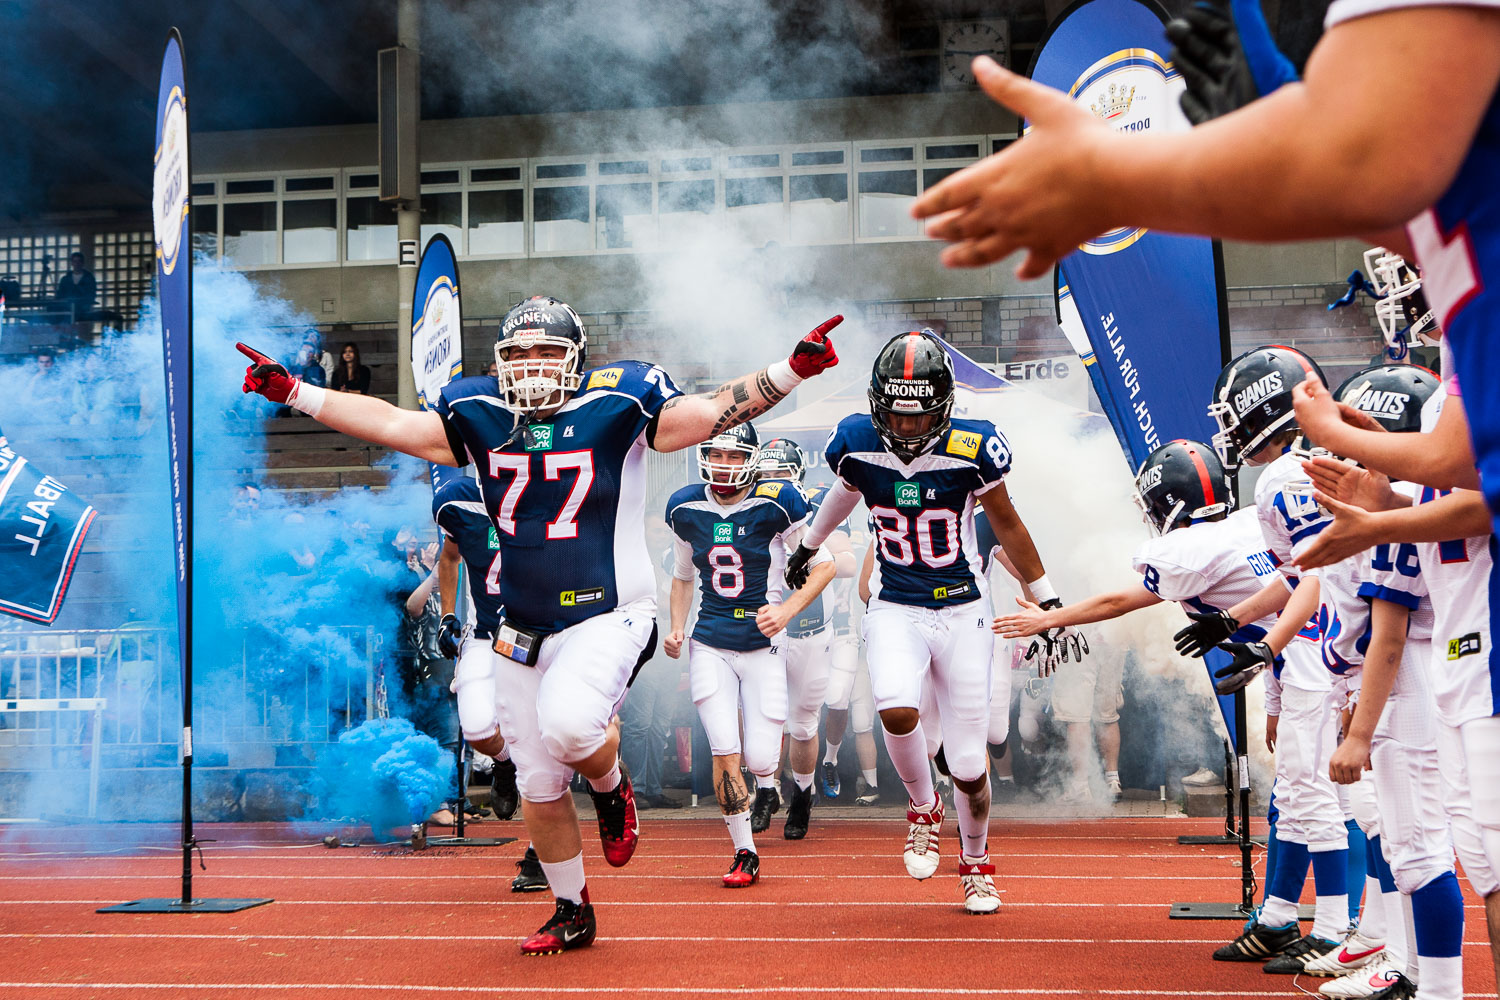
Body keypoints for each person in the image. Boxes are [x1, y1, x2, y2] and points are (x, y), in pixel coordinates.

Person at [237, 294, 841, 955]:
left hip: (610, 609)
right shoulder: (479, 410)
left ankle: (612, 789)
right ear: (499, 364)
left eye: (547, 353)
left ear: (575, 360)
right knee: (539, 781)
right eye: (518, 355)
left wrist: (790, 371)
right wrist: (296, 390)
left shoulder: (619, 402)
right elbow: (392, 423)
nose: (531, 367)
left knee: (571, 722)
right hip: (519, 623)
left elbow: (705, 412)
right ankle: (571, 908)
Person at [786, 329, 1086, 914]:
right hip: (897, 603)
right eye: (894, 416)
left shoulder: (974, 447)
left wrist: (1049, 601)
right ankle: (923, 807)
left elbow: (1007, 523)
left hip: (964, 608)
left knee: (971, 764)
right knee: (895, 707)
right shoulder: (853, 441)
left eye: (918, 417)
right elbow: (843, 494)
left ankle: (975, 861)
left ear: (944, 407)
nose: (905, 428)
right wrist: (811, 543)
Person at [1172, 347, 1355, 973]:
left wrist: (1269, 646)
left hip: (1326, 653)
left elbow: (1320, 579)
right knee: (1314, 794)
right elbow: (1301, 574)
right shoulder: (1302, 469)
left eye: (1234, 414)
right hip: (1329, 651)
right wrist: (1236, 619)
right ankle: (1313, 922)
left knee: (1325, 796)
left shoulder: (1285, 477)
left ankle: (1340, 930)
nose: (1228, 429)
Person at [664, 422, 835, 884]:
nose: (724, 465)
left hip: (764, 646)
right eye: (716, 455)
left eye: (735, 456)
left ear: (752, 459)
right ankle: (745, 851)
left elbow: (825, 566)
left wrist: (786, 610)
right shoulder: (684, 506)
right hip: (711, 643)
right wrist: (677, 627)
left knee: (761, 758)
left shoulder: (778, 502)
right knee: (724, 748)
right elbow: (683, 575)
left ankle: (771, 785)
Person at [755, 438, 857, 828]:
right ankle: (765, 790)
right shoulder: (750, 505)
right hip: (766, 631)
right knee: (764, 717)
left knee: (802, 722)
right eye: (765, 475)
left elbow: (845, 562)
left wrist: (810, 546)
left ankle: (802, 793)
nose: (773, 482)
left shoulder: (812, 506)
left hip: (812, 629)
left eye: (780, 474)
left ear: (796, 475)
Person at [53, 252, 95, 321]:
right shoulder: (65, 279)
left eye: (79, 261)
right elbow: (60, 294)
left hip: (83, 310)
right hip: (66, 309)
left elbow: (91, 294)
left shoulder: (89, 278)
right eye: (75, 261)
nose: (77, 264)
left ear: (82, 263)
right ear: (72, 263)